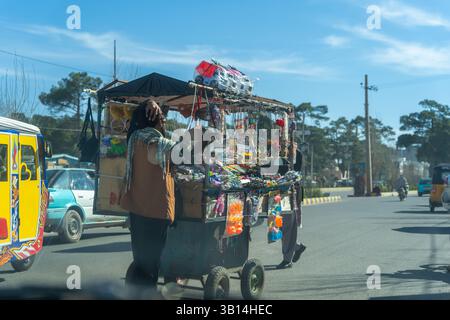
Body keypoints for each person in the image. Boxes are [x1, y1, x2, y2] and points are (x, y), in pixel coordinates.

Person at [120, 100, 176, 297]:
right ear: (154, 119)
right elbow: (166, 155)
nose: (165, 121)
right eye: (162, 118)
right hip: (156, 213)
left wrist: (150, 102)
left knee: (141, 262)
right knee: (151, 265)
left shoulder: (134, 138)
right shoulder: (158, 144)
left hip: (137, 209)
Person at [277, 142, 307, 269]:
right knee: (279, 227)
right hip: (278, 192)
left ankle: (287, 259)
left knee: (287, 226)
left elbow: (294, 174)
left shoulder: (296, 155)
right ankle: (296, 247)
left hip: (290, 193)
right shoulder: (277, 155)